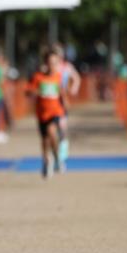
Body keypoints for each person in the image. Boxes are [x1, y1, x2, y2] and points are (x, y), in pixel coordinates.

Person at [26, 49, 67, 179]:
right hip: (41, 113)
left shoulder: (58, 76)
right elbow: (28, 91)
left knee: (52, 133)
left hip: (55, 112)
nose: (52, 66)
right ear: (45, 63)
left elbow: (61, 92)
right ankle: (46, 162)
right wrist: (36, 92)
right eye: (50, 63)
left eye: (55, 63)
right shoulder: (38, 77)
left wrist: (65, 106)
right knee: (44, 140)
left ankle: (56, 157)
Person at [52, 43, 80, 171]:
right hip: (49, 103)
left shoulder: (66, 67)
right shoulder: (48, 68)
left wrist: (73, 89)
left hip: (61, 102)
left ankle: (61, 158)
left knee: (62, 130)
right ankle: (54, 157)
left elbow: (76, 78)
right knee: (51, 132)